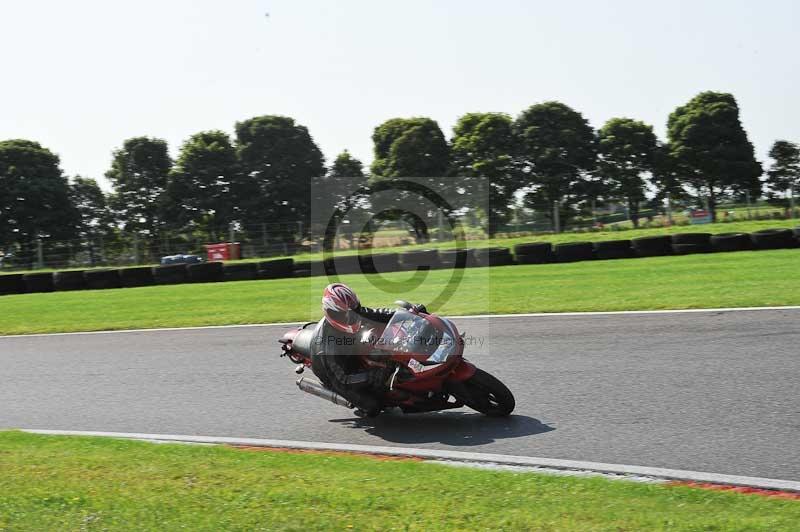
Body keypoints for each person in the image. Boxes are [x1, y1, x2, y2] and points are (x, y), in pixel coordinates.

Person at [312, 283, 425, 417]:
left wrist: (408, 315)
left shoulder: (352, 312)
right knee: (373, 406)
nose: (350, 318)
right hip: (335, 375)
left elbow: (376, 314)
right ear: (331, 312)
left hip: (351, 351)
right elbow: (343, 378)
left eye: (354, 311)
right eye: (345, 315)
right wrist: (370, 376)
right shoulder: (328, 345)